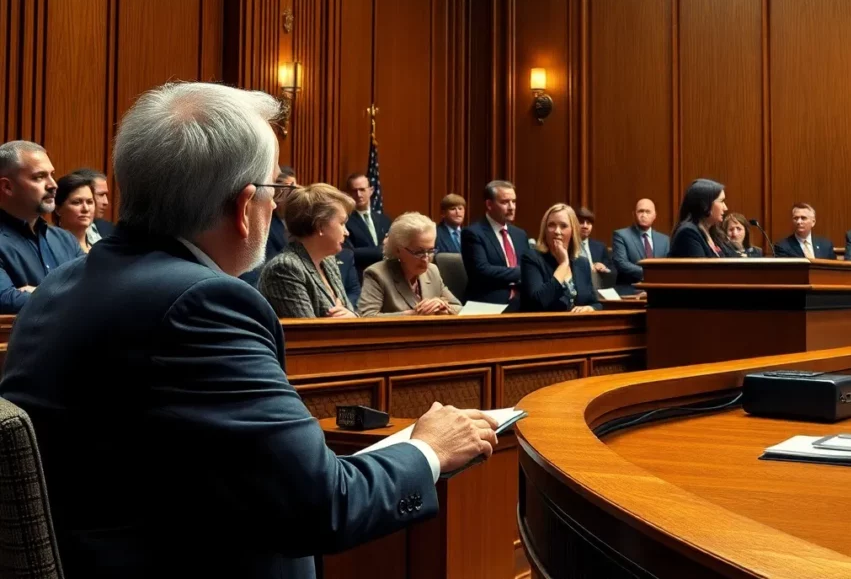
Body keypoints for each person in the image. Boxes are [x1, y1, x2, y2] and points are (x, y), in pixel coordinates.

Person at [0, 81, 499, 579]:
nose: (277, 208)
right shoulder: (204, 304)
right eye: (276, 192)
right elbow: (323, 507)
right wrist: (428, 449)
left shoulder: (59, 285)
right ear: (244, 207)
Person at [0, 140, 83, 313]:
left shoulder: (65, 239)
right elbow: (6, 301)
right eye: (39, 177)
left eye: (52, 174)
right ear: (7, 186)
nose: (53, 184)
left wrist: (39, 292)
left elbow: (95, 289)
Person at [259, 183, 360, 319]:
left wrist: (352, 316)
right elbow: (306, 335)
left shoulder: (328, 261)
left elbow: (348, 313)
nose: (346, 232)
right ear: (320, 226)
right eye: (341, 223)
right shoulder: (285, 268)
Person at [358, 212, 462, 316]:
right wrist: (413, 314)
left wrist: (442, 307)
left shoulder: (432, 271)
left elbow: (459, 308)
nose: (426, 259)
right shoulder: (377, 274)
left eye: (431, 251)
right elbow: (366, 317)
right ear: (398, 250)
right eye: (419, 252)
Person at [461, 180, 530, 310]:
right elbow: (481, 271)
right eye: (505, 202)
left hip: (522, 301)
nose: (512, 207)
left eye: (513, 201)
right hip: (488, 302)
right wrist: (521, 272)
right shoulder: (473, 233)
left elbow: (529, 268)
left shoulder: (520, 234)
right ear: (489, 204)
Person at [520, 204, 601, 313]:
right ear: (545, 230)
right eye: (551, 225)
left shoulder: (582, 263)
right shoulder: (532, 258)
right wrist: (563, 264)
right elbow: (538, 302)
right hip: (544, 326)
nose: (557, 231)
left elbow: (595, 303)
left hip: (578, 326)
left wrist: (590, 308)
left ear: (573, 231)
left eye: (563, 226)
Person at [611, 199, 669, 288]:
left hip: (659, 290)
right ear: (634, 214)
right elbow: (621, 263)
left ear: (655, 216)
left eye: (648, 212)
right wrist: (650, 274)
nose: (644, 215)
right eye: (640, 211)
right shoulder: (621, 235)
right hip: (630, 290)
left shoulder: (664, 240)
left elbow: (667, 265)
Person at [345, 172, 393, 272]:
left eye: (362, 190)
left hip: (386, 274)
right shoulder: (344, 220)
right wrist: (383, 250)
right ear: (348, 193)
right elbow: (348, 253)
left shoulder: (384, 220)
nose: (358, 195)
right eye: (354, 191)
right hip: (360, 276)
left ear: (371, 190)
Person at [669, 179, 729, 258]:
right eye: (721, 201)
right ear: (705, 204)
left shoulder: (714, 232)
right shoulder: (688, 233)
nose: (725, 208)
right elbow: (701, 270)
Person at [53, 173, 97, 254]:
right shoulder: (51, 247)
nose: (86, 209)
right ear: (58, 209)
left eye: (90, 202)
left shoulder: (98, 249)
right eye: (77, 202)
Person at [71, 167, 114, 244]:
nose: (106, 202)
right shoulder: (58, 237)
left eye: (106, 195)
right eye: (101, 195)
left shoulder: (109, 229)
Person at [577, 207, 612, 274]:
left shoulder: (600, 247)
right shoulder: (567, 246)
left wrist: (603, 267)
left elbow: (612, 270)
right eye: (581, 222)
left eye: (588, 223)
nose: (585, 226)